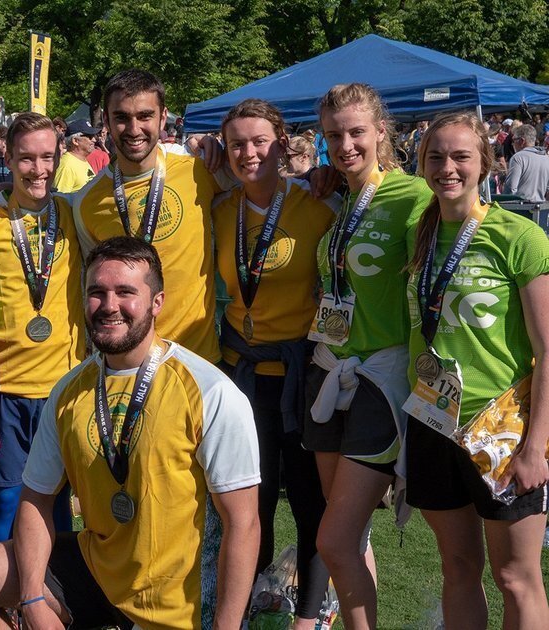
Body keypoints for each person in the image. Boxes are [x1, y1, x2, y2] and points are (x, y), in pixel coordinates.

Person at [0, 237, 260, 630]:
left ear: (157, 302)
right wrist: (32, 599)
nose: (109, 306)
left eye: (126, 292)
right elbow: (36, 499)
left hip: (178, 606)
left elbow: (243, 525)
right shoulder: (70, 390)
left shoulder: (209, 391)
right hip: (99, 568)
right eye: (97, 292)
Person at [404, 111, 549, 630]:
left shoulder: (519, 236)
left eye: (461, 156)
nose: (448, 167)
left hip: (502, 430)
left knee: (516, 577)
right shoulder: (419, 232)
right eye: (436, 156)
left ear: (486, 163)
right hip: (432, 422)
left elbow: (548, 348)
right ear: (421, 164)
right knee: (458, 568)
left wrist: (537, 447)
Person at [304, 83, 433, 629]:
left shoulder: (413, 197)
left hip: (380, 378)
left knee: (334, 539)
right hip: (328, 370)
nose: (346, 144)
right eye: (334, 135)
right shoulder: (339, 197)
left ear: (382, 130)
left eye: (357, 132)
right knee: (349, 535)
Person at [212, 99, 336, 629]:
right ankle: (238, 613)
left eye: (259, 140)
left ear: (282, 142)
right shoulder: (218, 209)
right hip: (241, 383)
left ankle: (307, 620)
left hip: (304, 378)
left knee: (311, 509)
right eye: (237, 143)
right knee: (249, 511)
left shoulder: (319, 204)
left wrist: (333, 175)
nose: (249, 153)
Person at [71, 69, 226, 364]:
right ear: (105, 120)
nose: (133, 128)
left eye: (144, 116)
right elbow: (92, 286)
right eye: (121, 117)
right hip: (127, 361)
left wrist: (328, 176)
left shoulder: (200, 171)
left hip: (196, 358)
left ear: (163, 116)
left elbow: (261, 179)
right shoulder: (87, 201)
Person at [0, 112, 85, 543]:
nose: (38, 169)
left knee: (58, 502)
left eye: (47, 157)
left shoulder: (77, 212)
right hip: (5, 389)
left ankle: (54, 597)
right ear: (7, 157)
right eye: (26, 158)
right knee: (7, 500)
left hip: (65, 385)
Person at [502, 123, 549, 203]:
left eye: (514, 140)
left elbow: (511, 188)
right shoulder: (546, 158)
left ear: (522, 141)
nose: (512, 144)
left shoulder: (518, 157)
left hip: (521, 209)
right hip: (541, 209)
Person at [52, 119, 98, 194]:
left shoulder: (81, 160)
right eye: (89, 136)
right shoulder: (66, 165)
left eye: (94, 136)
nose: (94, 140)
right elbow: (60, 200)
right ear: (75, 141)